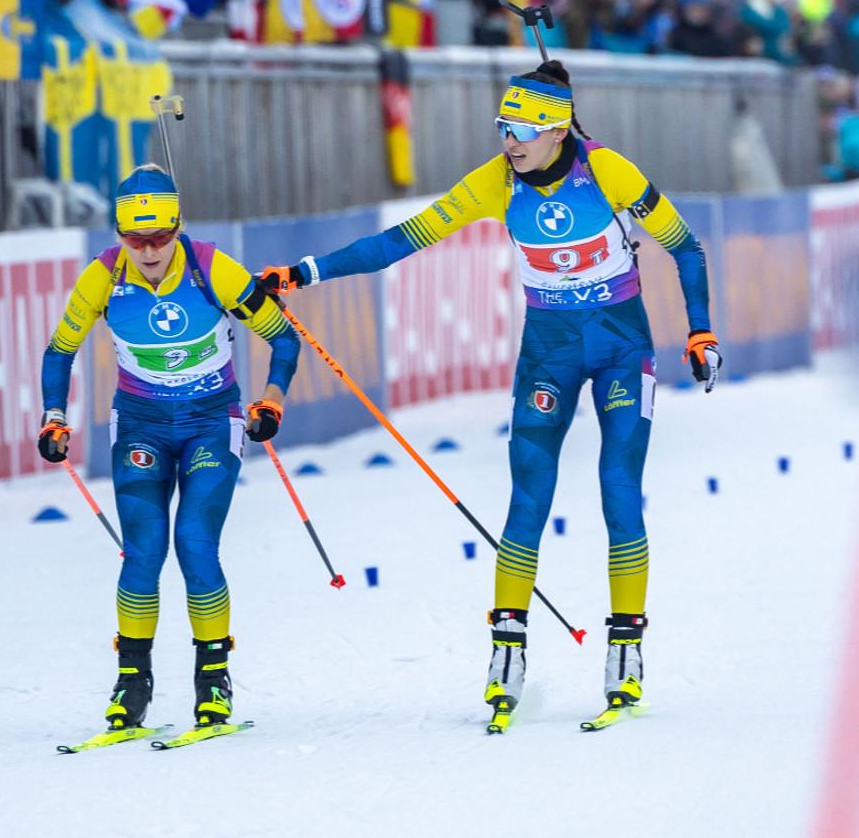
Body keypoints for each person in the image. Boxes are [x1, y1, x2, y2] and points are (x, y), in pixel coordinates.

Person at [259, 60, 721, 726]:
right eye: (504, 126)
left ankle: (626, 648)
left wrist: (700, 330)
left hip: (623, 348)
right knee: (527, 496)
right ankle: (507, 652)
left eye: (524, 128)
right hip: (549, 354)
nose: (510, 140)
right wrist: (304, 272)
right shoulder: (494, 182)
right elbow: (400, 241)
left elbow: (686, 247)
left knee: (619, 487)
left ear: (558, 129)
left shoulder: (609, 171)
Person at [35, 165, 301, 740]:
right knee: (143, 551)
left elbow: (283, 336)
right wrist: (54, 416)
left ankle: (214, 683)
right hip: (140, 424)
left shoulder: (212, 269)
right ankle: (132, 683)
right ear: (119, 234)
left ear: (178, 227)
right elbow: (59, 352)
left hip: (212, 421)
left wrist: (270, 403)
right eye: (136, 239)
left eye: (161, 237)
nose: (150, 251)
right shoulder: (101, 279)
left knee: (195, 543)